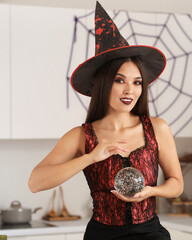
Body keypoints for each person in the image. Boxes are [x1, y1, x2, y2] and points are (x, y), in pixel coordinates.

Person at [28, 2, 183, 240]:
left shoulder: (157, 129)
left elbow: (176, 184)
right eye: (120, 80)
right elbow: (35, 182)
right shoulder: (82, 136)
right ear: (103, 83)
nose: (129, 90)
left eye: (137, 82)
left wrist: (152, 191)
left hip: (150, 234)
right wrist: (90, 157)